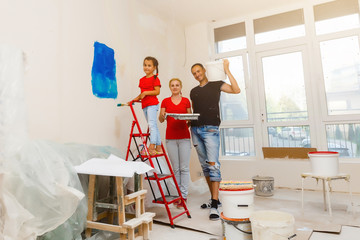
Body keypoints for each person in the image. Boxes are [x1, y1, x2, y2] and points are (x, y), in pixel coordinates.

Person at [190, 59, 240, 220]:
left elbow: (236, 89)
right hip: (195, 129)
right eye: (194, 74)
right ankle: (214, 199)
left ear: (204, 70)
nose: (197, 75)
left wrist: (227, 70)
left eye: (198, 71)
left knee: (213, 166)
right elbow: (196, 111)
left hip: (210, 129)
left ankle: (214, 202)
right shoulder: (193, 91)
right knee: (205, 167)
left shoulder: (216, 84)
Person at [159, 78, 192, 209]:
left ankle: (183, 196)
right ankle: (177, 196)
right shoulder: (165, 101)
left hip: (184, 137)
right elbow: (161, 120)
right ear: (170, 87)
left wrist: (185, 119)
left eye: (177, 85)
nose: (175, 87)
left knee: (184, 168)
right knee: (176, 168)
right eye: (172, 85)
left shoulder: (186, 101)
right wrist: (163, 115)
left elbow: (190, 119)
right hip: (170, 138)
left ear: (180, 86)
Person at [130, 56, 163, 156]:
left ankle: (152, 146)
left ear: (154, 67)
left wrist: (146, 93)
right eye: (145, 65)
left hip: (152, 104)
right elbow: (141, 94)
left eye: (149, 66)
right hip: (145, 105)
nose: (146, 67)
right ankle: (159, 146)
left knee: (152, 125)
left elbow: (157, 91)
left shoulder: (155, 78)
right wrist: (133, 99)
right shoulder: (141, 80)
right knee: (153, 125)